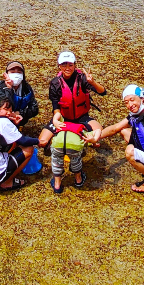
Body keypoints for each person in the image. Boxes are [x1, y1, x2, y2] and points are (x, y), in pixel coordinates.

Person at [38, 49, 106, 193]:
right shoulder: (55, 83)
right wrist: (56, 120)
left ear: (75, 65)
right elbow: (55, 107)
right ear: (59, 67)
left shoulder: (82, 79)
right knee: (43, 142)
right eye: (64, 65)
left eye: (70, 65)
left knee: (99, 135)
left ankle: (77, 146)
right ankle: (62, 148)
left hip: (82, 117)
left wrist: (92, 82)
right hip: (63, 118)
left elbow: (102, 91)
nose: (67, 68)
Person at [0, 61, 39, 127]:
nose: (16, 74)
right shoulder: (0, 87)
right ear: (6, 74)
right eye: (12, 72)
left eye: (19, 72)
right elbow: (4, 106)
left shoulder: (27, 89)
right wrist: (9, 89)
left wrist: (19, 113)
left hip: (16, 118)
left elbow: (35, 109)